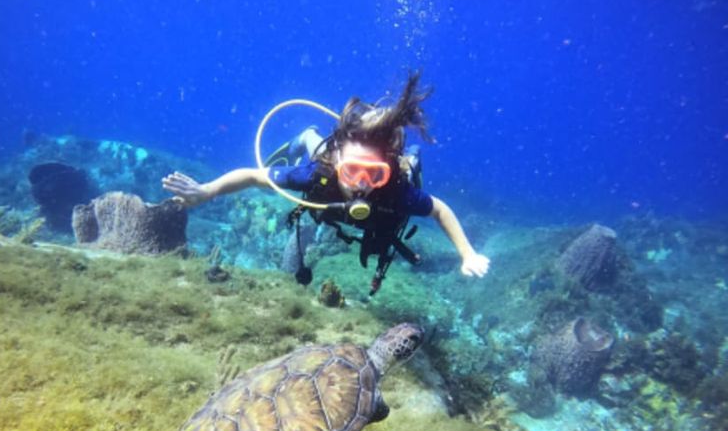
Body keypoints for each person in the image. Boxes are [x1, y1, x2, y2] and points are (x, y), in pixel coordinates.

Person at [162, 72, 490, 294]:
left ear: (386, 174)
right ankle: (307, 136)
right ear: (336, 163)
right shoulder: (317, 175)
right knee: (310, 143)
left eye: (374, 174)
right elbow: (252, 175)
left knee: (412, 160)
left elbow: (440, 210)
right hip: (321, 154)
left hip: (387, 170)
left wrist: (468, 254)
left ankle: (409, 154)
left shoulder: (395, 191)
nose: (361, 184)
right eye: (352, 171)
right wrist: (207, 191)